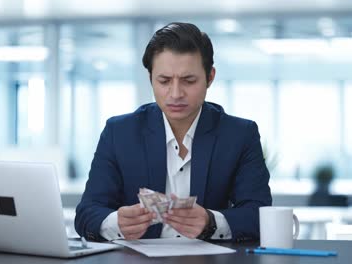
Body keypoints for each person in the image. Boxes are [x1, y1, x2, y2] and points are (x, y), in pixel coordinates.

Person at [75, 22, 272, 242]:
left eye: (189, 81)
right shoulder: (119, 132)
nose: (176, 93)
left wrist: (211, 222)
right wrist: (114, 223)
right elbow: (86, 213)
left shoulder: (240, 135)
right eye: (164, 81)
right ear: (150, 78)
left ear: (210, 77)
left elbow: (259, 214)